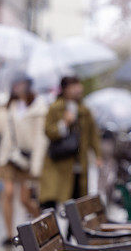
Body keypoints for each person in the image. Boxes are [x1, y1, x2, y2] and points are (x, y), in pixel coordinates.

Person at [0, 76, 47, 246]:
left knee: (25, 199)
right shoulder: (8, 106)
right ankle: (9, 233)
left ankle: (42, 225)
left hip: (26, 159)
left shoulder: (38, 108)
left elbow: (40, 139)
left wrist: (36, 164)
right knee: (9, 192)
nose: (18, 87)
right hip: (8, 156)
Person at [40, 75, 101, 209]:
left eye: (78, 85)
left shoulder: (84, 110)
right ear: (65, 89)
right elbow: (48, 131)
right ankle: (52, 228)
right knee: (54, 198)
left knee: (78, 199)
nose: (77, 89)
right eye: (73, 86)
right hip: (59, 162)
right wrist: (64, 123)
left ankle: (72, 229)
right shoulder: (55, 108)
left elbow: (93, 135)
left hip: (79, 161)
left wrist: (97, 155)